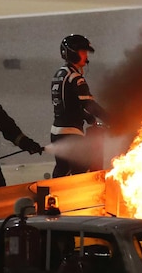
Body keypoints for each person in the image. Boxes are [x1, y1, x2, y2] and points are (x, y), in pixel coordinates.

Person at [50, 34, 108, 178]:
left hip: (57, 132)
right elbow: (88, 104)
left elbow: (69, 105)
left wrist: (88, 118)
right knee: (79, 174)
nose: (86, 56)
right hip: (71, 134)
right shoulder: (75, 77)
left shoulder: (60, 74)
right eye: (83, 52)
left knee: (63, 172)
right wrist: (112, 119)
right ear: (72, 53)